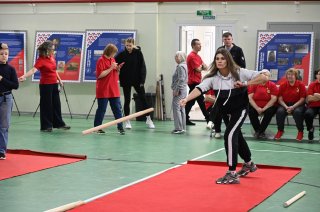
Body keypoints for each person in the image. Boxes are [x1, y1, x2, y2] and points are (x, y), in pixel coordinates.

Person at [180, 48, 268, 184]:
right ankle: (249, 163)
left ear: (228, 60)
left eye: (222, 58)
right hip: (225, 112)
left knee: (230, 135)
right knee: (236, 135)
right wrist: (186, 99)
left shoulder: (240, 73)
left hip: (240, 110)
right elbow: (199, 89)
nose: (220, 61)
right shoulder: (212, 78)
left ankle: (232, 173)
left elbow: (264, 76)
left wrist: (245, 83)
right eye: (217, 59)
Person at [19, 40, 70, 132]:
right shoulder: (41, 60)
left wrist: (59, 80)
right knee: (46, 105)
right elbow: (33, 70)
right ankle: (46, 126)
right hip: (45, 85)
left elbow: (54, 70)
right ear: (47, 50)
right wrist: (24, 76)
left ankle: (59, 124)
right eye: (52, 50)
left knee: (56, 104)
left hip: (54, 84)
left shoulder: (52, 58)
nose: (53, 51)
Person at [115, 38, 155, 129]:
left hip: (138, 81)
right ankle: (127, 121)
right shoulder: (121, 54)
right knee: (127, 100)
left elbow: (143, 67)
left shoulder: (138, 53)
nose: (128, 47)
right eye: (127, 45)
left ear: (133, 45)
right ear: (125, 45)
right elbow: (114, 62)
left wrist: (142, 81)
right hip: (126, 80)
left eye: (130, 45)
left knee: (143, 99)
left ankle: (149, 119)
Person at [94, 44, 125, 135]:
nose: (114, 55)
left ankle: (120, 127)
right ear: (109, 51)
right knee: (102, 109)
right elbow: (99, 75)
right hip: (103, 89)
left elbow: (115, 73)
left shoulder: (112, 59)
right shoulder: (101, 60)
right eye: (113, 53)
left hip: (113, 88)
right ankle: (97, 127)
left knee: (117, 109)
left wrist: (118, 69)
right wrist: (111, 68)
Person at [274, 68, 306, 141]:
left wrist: (293, 107)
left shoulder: (301, 85)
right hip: (285, 104)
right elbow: (280, 99)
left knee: (297, 113)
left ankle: (300, 131)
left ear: (295, 76)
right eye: (288, 74)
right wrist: (286, 107)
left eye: (292, 75)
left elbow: (302, 99)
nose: (290, 76)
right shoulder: (283, 85)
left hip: (297, 104)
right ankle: (280, 130)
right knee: (280, 112)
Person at [0, 43, 19, 160]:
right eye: (1, 54)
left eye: (6, 54)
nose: (4, 56)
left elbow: (15, 85)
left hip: (6, 99)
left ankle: (1, 150)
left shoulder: (11, 69)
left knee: (3, 126)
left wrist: (2, 79)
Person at [185, 39, 209, 126]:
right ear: (193, 45)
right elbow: (198, 69)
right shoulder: (191, 56)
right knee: (201, 101)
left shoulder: (198, 56)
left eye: (200, 44)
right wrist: (201, 67)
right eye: (198, 44)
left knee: (191, 102)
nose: (200, 46)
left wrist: (202, 67)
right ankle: (209, 120)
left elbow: (206, 67)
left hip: (198, 81)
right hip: (193, 82)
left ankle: (185, 118)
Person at [248, 70, 278, 139]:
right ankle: (259, 131)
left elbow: (273, 99)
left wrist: (264, 108)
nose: (264, 76)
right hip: (255, 105)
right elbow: (250, 98)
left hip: (268, 106)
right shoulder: (254, 84)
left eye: (266, 75)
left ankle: (260, 131)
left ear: (269, 77)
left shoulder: (272, 85)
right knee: (251, 112)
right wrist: (257, 108)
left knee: (269, 112)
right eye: (262, 74)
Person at [171, 51, 188, 134]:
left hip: (180, 90)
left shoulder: (180, 67)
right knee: (182, 108)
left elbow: (181, 79)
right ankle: (183, 127)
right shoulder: (185, 65)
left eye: (176, 57)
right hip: (184, 89)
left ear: (181, 57)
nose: (175, 58)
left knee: (176, 108)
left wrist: (177, 90)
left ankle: (178, 128)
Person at [304, 68, 320, 141]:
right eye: (319, 74)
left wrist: (316, 95)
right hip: (313, 106)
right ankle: (310, 129)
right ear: (316, 75)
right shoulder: (312, 85)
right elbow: (309, 98)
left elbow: (312, 97)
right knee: (307, 114)